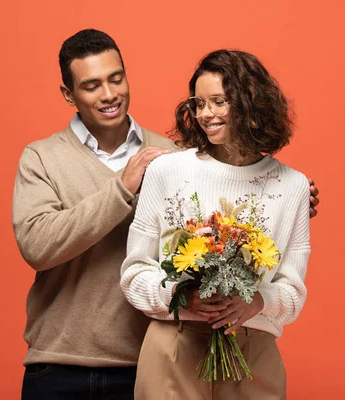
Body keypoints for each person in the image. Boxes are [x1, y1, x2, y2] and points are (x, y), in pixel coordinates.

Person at [13, 29, 319, 399]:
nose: (109, 94)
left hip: (143, 355)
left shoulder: (169, 156)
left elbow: (232, 189)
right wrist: (122, 187)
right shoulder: (45, 158)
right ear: (69, 94)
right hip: (62, 360)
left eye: (116, 78)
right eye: (91, 85)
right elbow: (38, 245)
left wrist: (287, 198)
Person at [121, 49, 311, 399]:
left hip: (253, 352)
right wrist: (180, 295)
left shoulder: (293, 185)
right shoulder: (167, 172)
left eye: (219, 101)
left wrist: (257, 300)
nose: (206, 114)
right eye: (199, 103)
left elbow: (293, 292)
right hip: (173, 347)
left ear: (251, 102)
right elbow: (134, 272)